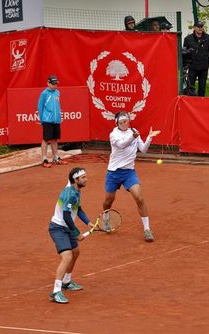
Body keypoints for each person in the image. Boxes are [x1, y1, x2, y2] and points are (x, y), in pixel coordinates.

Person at [102, 112, 161, 242]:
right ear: (117, 123)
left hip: (129, 172)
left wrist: (149, 138)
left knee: (139, 198)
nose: (124, 124)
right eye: (122, 122)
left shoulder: (133, 132)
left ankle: (147, 229)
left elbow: (143, 149)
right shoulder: (113, 135)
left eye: (126, 121)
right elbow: (122, 144)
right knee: (108, 201)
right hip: (114, 172)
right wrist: (133, 137)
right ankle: (106, 216)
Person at [48, 167, 92, 304]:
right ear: (75, 180)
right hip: (58, 228)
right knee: (67, 257)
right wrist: (77, 233)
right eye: (83, 177)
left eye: (85, 176)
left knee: (76, 252)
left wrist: (88, 222)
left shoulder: (76, 191)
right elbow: (66, 216)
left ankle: (66, 282)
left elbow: (77, 208)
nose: (86, 179)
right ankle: (56, 291)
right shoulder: (69, 193)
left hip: (67, 227)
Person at [38, 75, 67, 168]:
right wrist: (42, 119)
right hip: (47, 120)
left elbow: (58, 105)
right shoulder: (44, 93)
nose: (55, 86)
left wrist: (59, 116)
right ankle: (44, 159)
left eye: (56, 84)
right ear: (48, 83)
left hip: (56, 120)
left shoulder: (57, 92)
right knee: (46, 139)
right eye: (53, 84)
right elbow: (40, 107)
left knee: (55, 139)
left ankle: (56, 158)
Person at [183, 21, 209, 97]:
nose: (200, 28)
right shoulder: (188, 38)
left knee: (202, 88)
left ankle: (201, 104)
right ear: (194, 28)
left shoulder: (208, 38)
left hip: (204, 67)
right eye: (198, 27)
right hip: (192, 67)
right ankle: (190, 104)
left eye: (201, 27)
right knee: (190, 87)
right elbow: (184, 52)